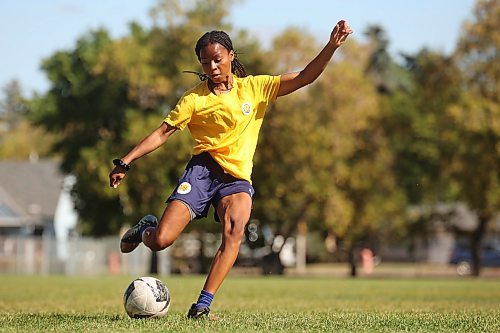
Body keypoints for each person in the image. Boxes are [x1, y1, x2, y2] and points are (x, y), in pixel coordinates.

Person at [109, 20, 352, 319]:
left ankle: (202, 306)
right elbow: (162, 133)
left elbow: (304, 77)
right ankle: (146, 228)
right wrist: (126, 161)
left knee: (235, 230)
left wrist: (331, 46)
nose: (211, 66)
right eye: (204, 61)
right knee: (161, 241)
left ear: (231, 56)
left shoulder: (255, 88)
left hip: (236, 179)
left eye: (217, 59)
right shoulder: (194, 99)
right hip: (202, 171)